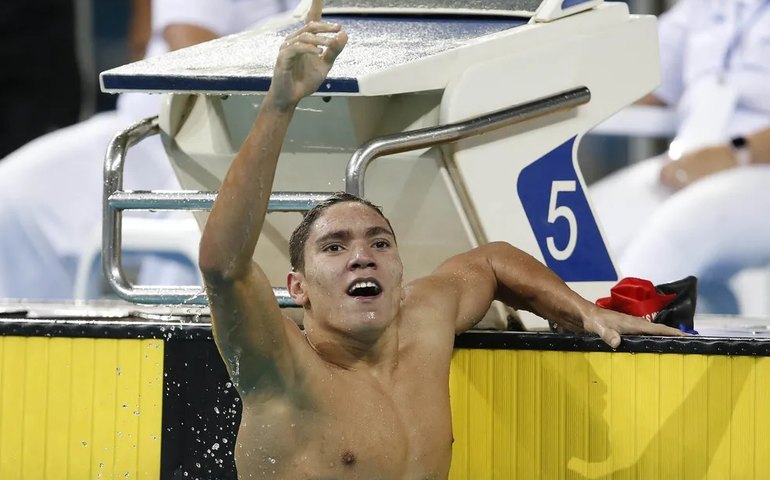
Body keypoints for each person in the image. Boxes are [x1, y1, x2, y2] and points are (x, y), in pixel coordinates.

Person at [198, 5, 685, 477]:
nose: (362, 257)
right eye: (334, 247)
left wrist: (584, 311)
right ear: (298, 287)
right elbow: (223, 265)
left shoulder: (423, 325)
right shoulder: (280, 369)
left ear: (400, 272)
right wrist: (279, 104)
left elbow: (492, 263)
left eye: (380, 243)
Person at [0, 0, 297, 300]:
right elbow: (191, 57)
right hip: (146, 134)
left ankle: (165, 344)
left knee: (195, 235)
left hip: (244, 149)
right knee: (12, 193)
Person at [589, 0, 770, 314]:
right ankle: (711, 311)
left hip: (755, 164)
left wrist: (734, 153)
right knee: (590, 224)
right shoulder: (704, 7)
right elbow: (635, 77)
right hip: (690, 162)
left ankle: (605, 344)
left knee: (673, 235)